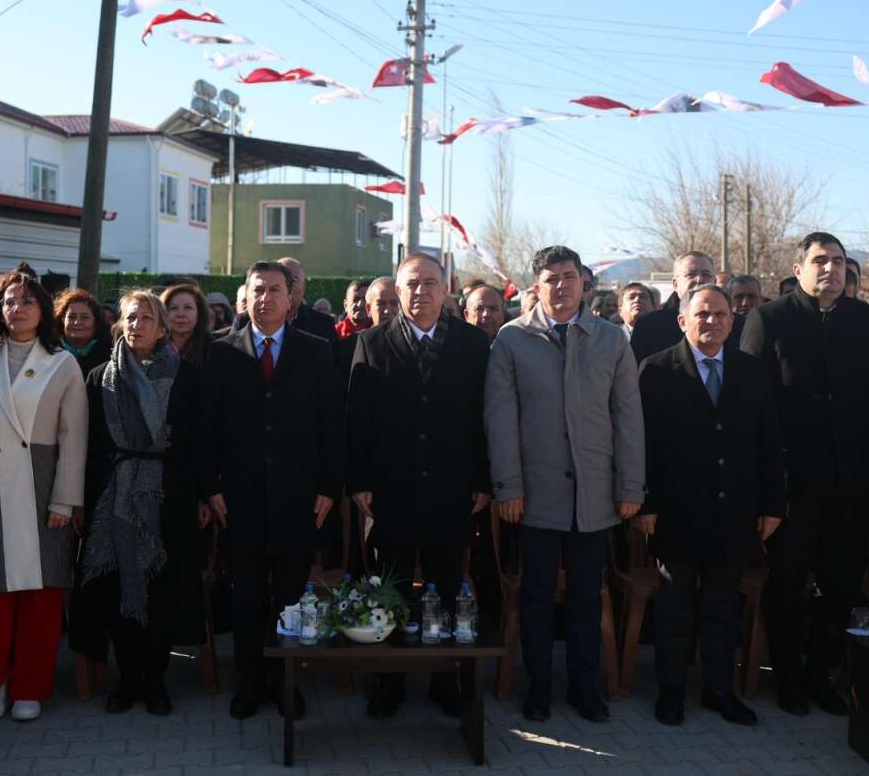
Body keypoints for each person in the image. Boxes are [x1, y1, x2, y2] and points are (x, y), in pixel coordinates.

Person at [485, 245, 645, 724]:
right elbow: (500, 419)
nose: (561, 285)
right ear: (537, 286)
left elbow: (628, 419)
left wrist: (631, 485)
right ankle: (537, 689)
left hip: (595, 495)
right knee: (535, 597)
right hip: (534, 497)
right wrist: (508, 486)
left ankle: (584, 688)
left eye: (569, 277)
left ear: (584, 283)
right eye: (551, 278)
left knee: (585, 596)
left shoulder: (611, 339)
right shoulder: (512, 340)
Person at [741, 232, 869, 718]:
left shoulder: (867, 322)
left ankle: (820, 671)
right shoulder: (769, 318)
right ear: (799, 266)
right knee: (787, 583)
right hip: (791, 486)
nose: (831, 269)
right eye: (820, 260)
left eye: (840, 261)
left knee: (842, 584)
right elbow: (752, 409)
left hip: (849, 483)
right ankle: (786, 675)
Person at [348, 253, 491, 719]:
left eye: (430, 283)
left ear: (447, 289)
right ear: (398, 289)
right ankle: (387, 681)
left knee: (445, 586)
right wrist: (360, 480)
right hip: (391, 489)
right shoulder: (372, 342)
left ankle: (445, 681)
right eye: (412, 284)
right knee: (388, 586)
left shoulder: (473, 344)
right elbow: (360, 422)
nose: (420, 292)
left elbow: (482, 420)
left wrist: (482, 480)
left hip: (451, 489)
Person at [635, 285, 785, 728]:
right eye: (702, 314)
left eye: (721, 314)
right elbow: (644, 446)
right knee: (675, 609)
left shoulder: (751, 370)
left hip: (735, 511)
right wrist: (647, 503)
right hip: (677, 511)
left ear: (732, 321)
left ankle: (720, 691)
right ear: (683, 321)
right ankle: (671, 692)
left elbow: (768, 442)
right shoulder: (657, 370)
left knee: (722, 609)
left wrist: (772, 504)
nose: (712, 321)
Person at [201, 261, 344, 721]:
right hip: (239, 498)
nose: (266, 298)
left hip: (298, 496)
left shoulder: (317, 350)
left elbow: (330, 425)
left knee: (289, 597)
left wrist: (329, 486)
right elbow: (208, 427)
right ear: (246, 296)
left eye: (275, 290)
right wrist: (211, 487)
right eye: (258, 290)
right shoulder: (221, 351)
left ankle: (287, 684)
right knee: (244, 597)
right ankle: (248, 684)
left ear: (291, 298)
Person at [0, 270, 87, 723]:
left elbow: (74, 439)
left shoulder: (63, 363)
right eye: (8, 301)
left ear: (43, 310)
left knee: (42, 598)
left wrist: (65, 500)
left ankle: (30, 686)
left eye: (27, 301)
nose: (17, 309)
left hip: (44, 491)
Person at [71, 290, 207, 717]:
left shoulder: (186, 377)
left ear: (163, 327)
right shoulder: (98, 378)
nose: (137, 325)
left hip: (169, 497)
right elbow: (86, 446)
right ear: (119, 325)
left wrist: (202, 493)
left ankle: (156, 680)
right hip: (112, 498)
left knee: (161, 592)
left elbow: (198, 444)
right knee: (117, 591)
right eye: (131, 318)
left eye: (147, 318)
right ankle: (127, 680)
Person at [631, 252, 743, 362]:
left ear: (714, 282)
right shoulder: (649, 325)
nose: (699, 279)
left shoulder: (738, 324)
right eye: (691, 274)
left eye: (706, 274)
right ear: (675, 284)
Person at [54, 287, 112, 377]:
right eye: (71, 317)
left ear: (96, 321)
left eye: (85, 317)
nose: (77, 322)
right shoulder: (49, 350)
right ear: (62, 319)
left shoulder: (110, 355)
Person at [161, 283, 211, 369]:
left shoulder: (213, 349)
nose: (180, 314)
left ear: (199, 313)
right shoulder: (153, 348)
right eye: (173, 308)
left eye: (188, 307)